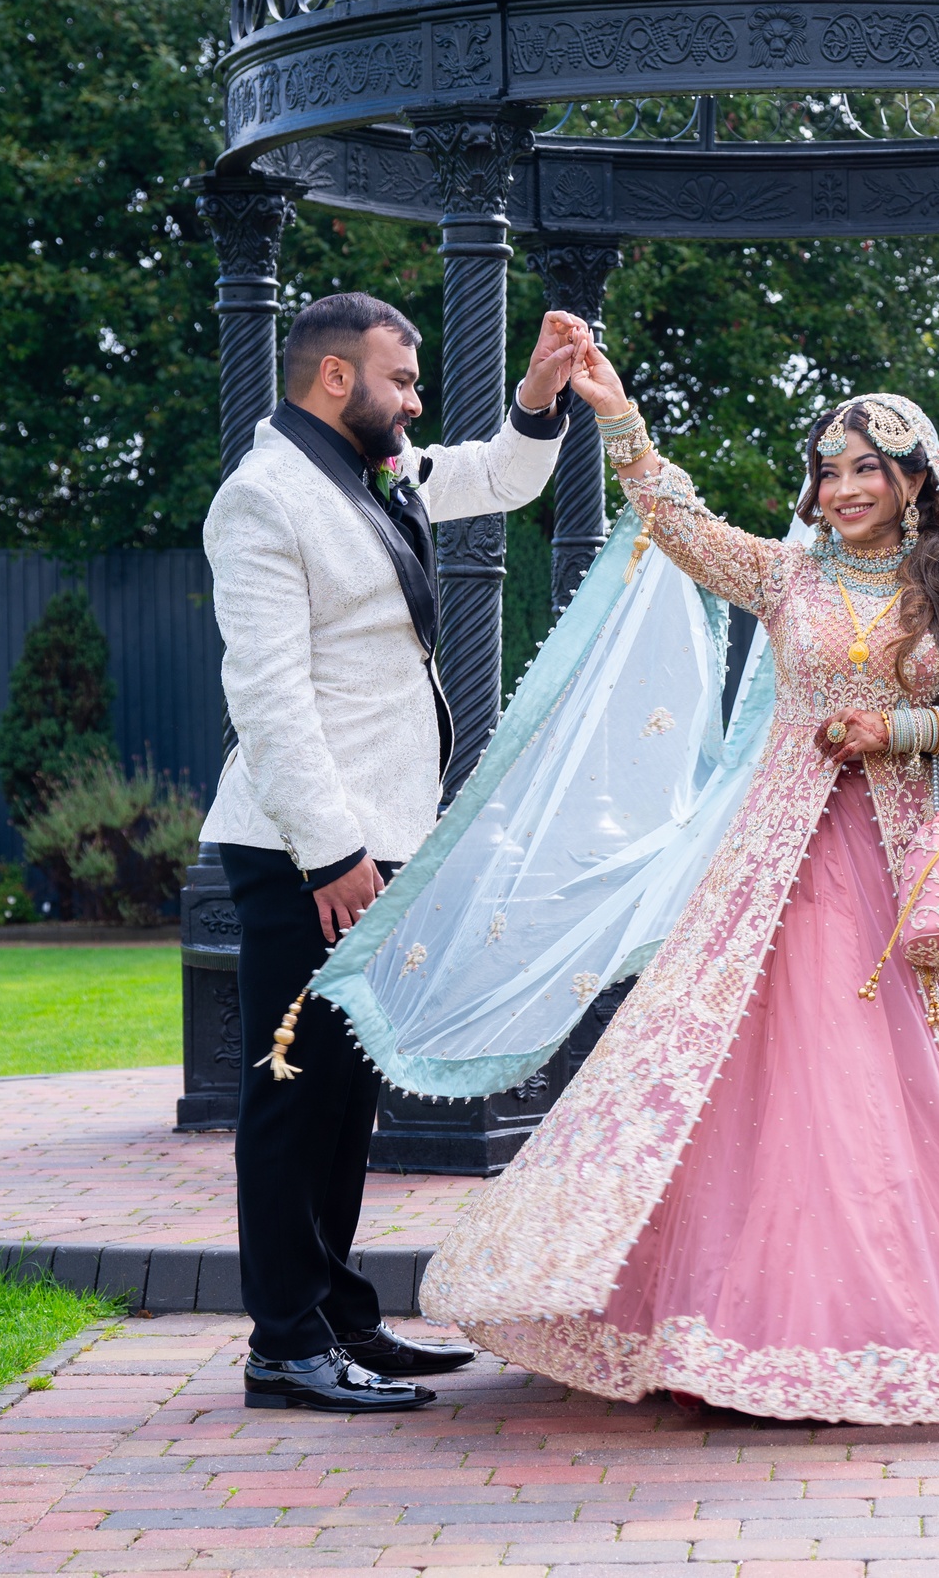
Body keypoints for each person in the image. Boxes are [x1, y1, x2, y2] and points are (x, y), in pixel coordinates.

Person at [408, 339, 939, 1424]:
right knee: (759, 1076)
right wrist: (618, 418)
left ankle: (902, 1328)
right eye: (828, 470)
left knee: (904, 1089)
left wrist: (904, 725)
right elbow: (682, 528)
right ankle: (723, 1336)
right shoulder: (789, 574)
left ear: (912, 479)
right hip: (776, 867)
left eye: (864, 469)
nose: (840, 490)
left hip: (907, 873)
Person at [199, 290, 588, 1413]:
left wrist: (538, 395)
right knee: (291, 1099)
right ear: (335, 379)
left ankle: (342, 1322)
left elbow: (500, 479)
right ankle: (283, 1346)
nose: (415, 403)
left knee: (343, 1100)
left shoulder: (372, 470)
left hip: (383, 843)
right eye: (402, 382)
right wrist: (331, 856)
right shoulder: (266, 498)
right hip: (301, 853)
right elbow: (267, 701)